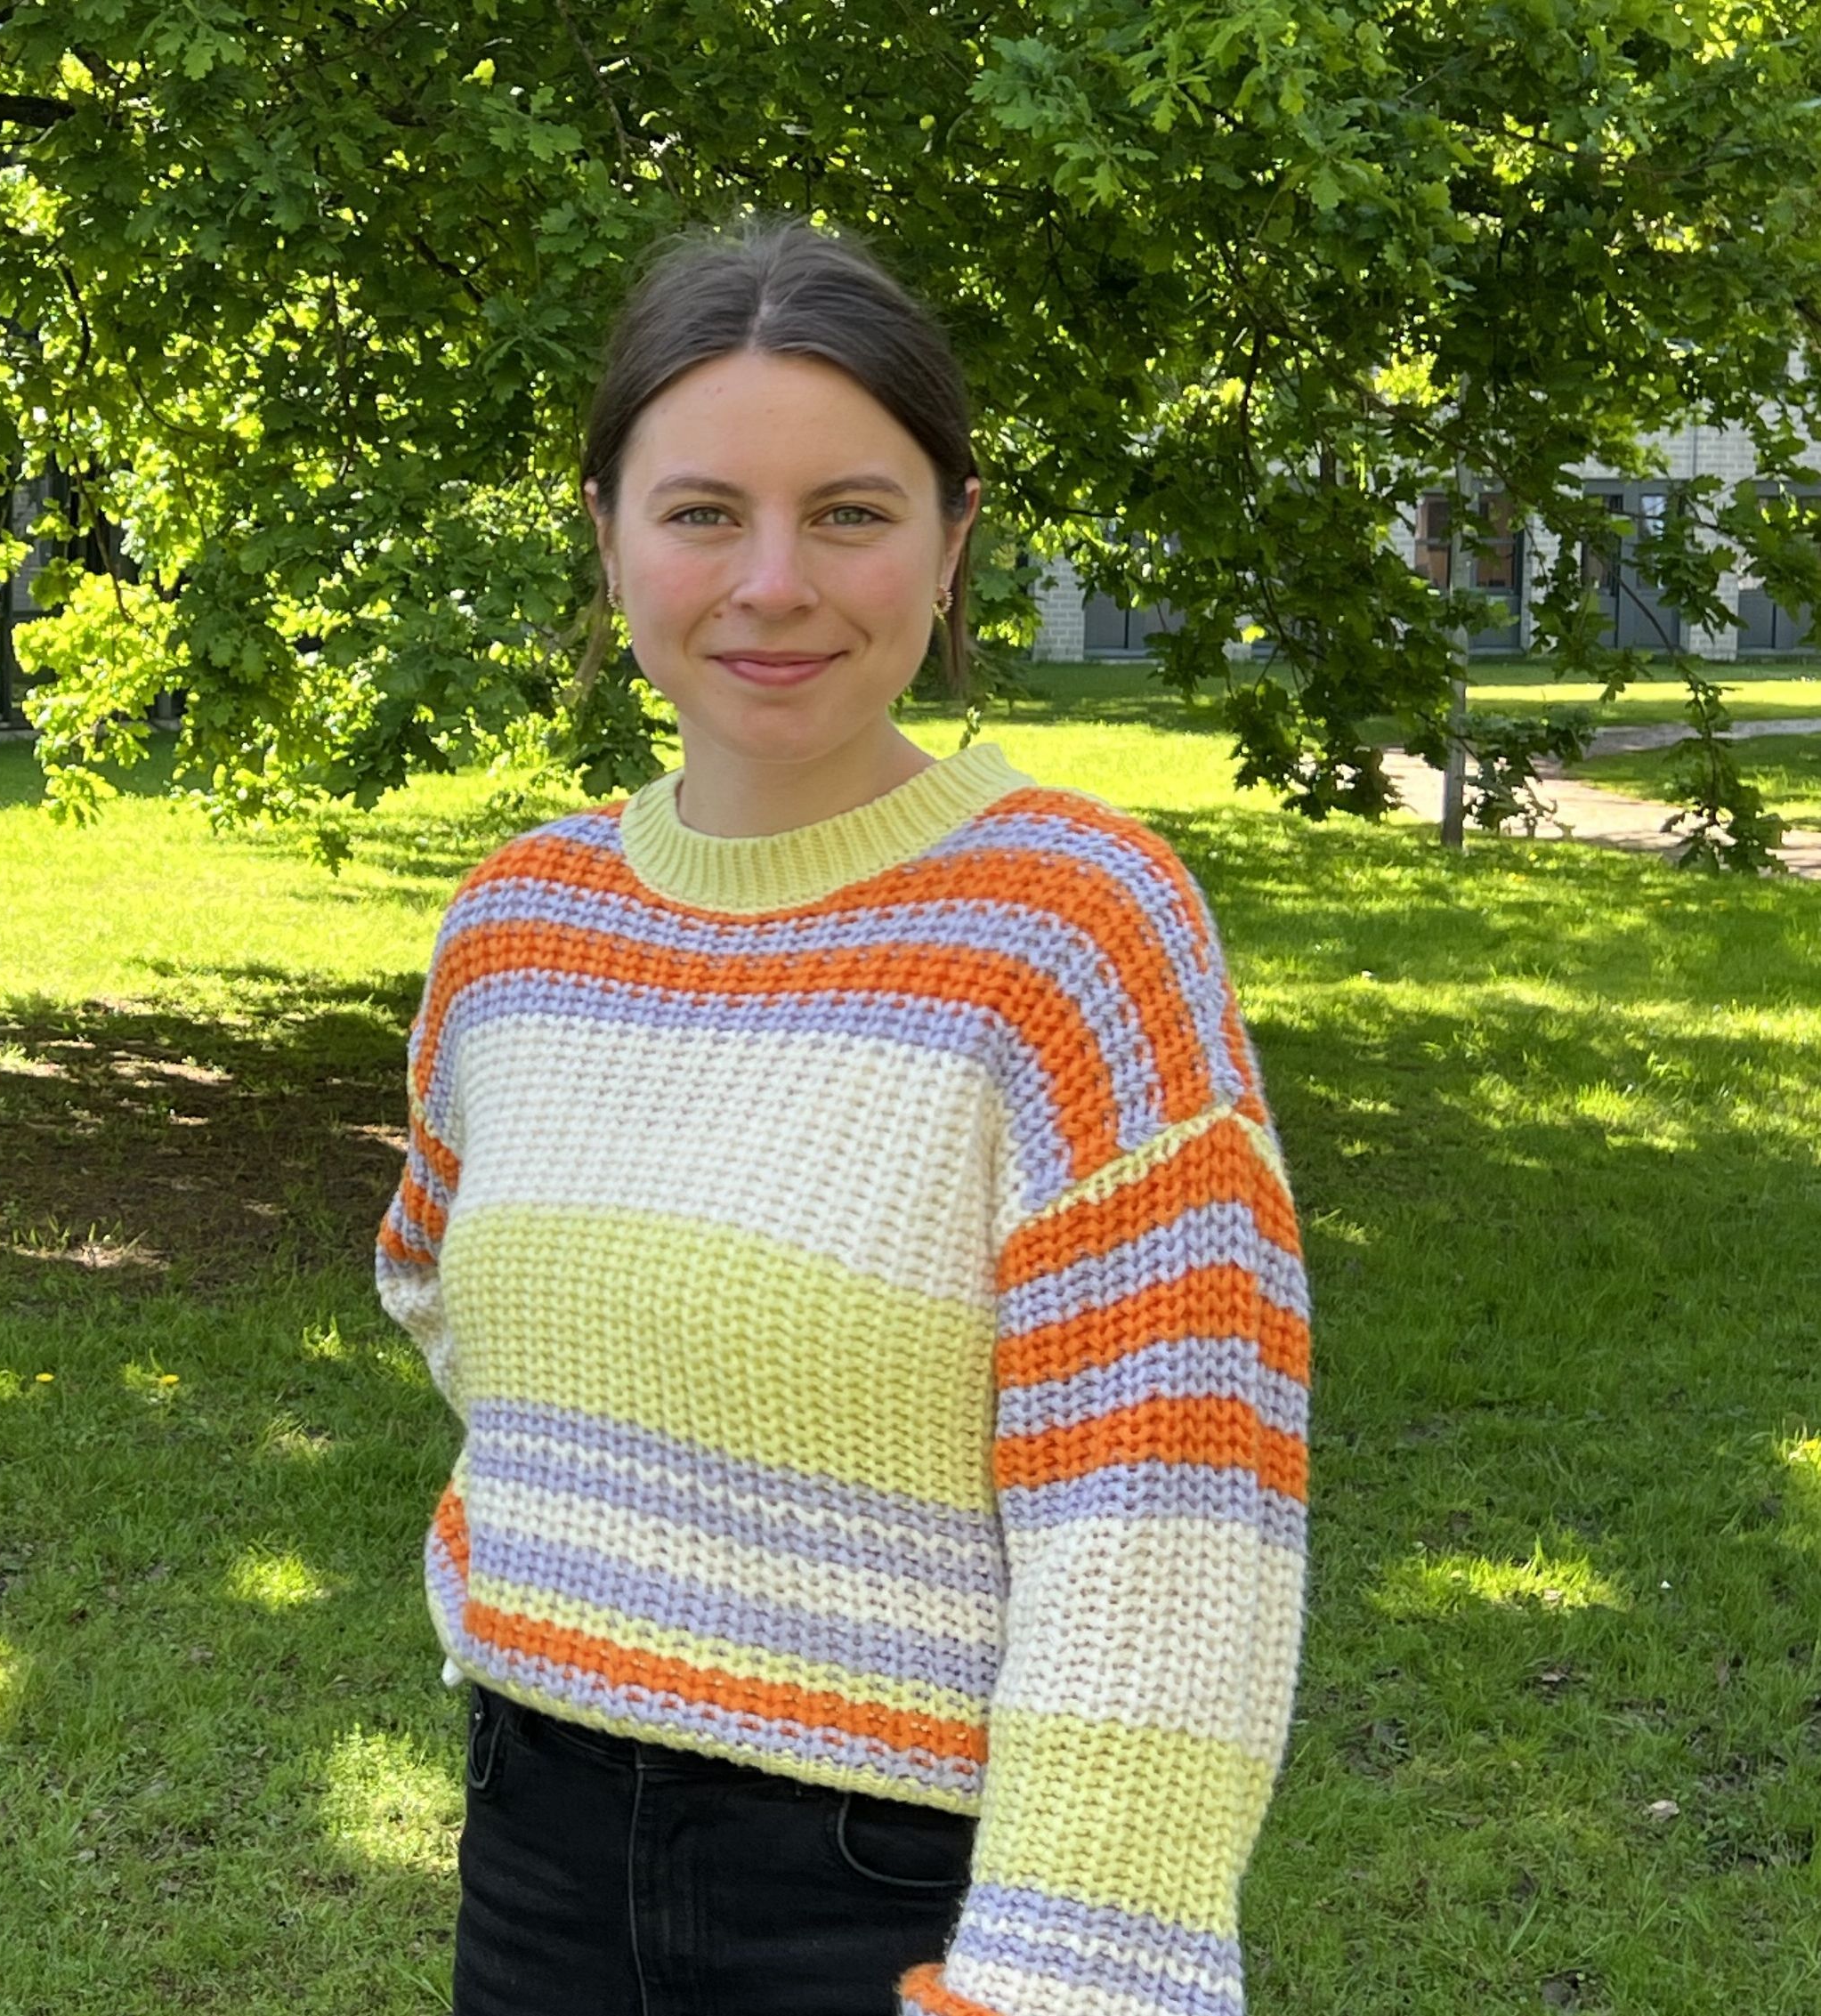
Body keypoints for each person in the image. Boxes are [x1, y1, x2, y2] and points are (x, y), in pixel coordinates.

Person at [378, 222, 1308, 2016]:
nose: (773, 581)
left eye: (852, 514)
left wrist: (1061, 1976)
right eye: (703, 509)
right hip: (535, 1843)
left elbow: (1170, 1510)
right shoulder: (514, 928)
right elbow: (438, 1284)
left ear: (956, 539)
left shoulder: (1076, 928)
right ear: (606, 533)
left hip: (895, 1889)